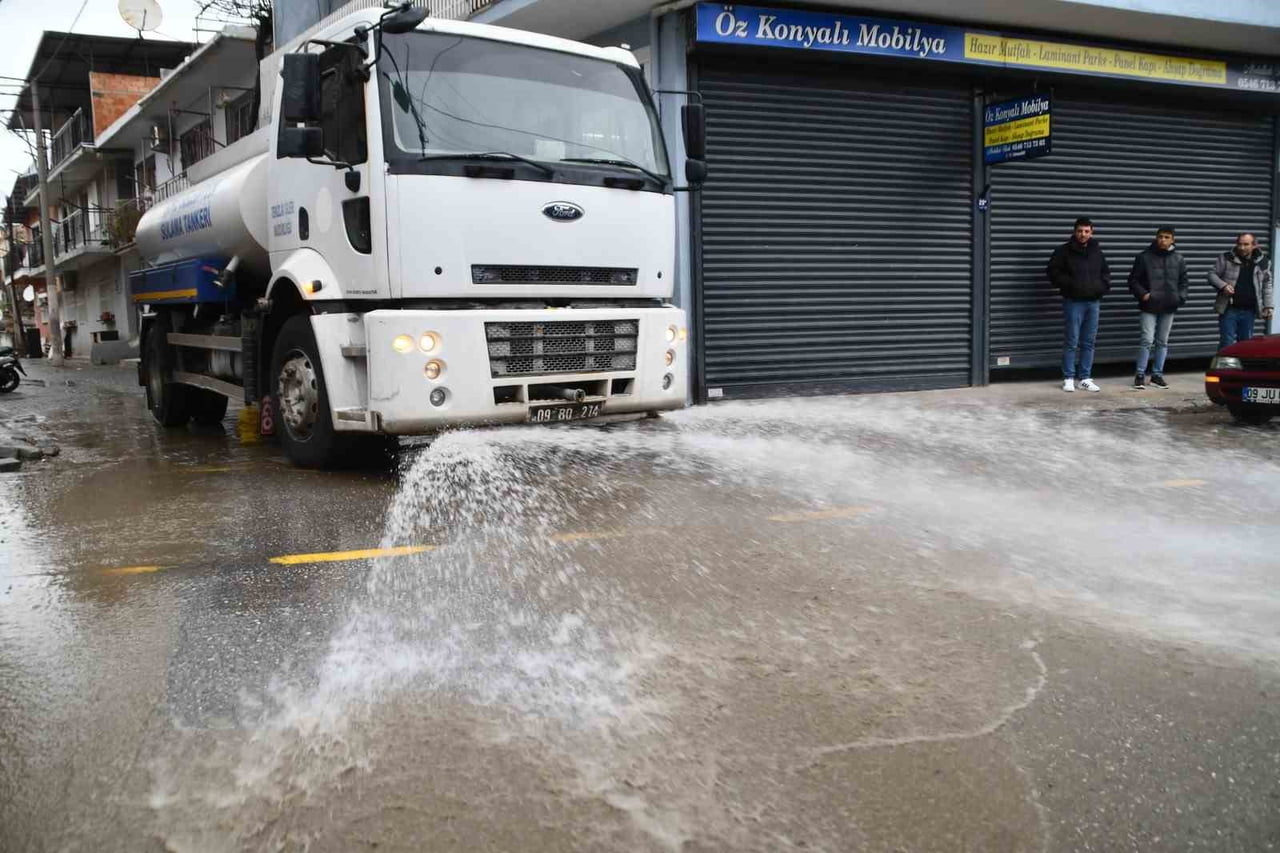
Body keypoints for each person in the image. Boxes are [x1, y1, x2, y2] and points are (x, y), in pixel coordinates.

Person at [1047, 217, 1111, 392]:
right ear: (1075, 231)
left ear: (1092, 232)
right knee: (1071, 341)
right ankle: (1068, 377)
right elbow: (1053, 272)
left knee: (1089, 342)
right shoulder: (1063, 251)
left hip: (1093, 302)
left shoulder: (1097, 251)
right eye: (1080, 231)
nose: (1083, 234)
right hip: (1073, 301)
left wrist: (1101, 287)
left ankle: (1085, 378)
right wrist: (1070, 284)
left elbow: (1105, 273)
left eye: (1087, 231)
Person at [1126, 226, 1189, 389]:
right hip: (1149, 305)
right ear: (1156, 238)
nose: (1163, 240)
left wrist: (1180, 298)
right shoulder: (1144, 257)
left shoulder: (1179, 259)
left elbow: (1184, 282)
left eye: (1167, 237)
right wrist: (1144, 295)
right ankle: (1140, 374)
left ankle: (1157, 375)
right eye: (1160, 236)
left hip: (1169, 305)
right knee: (1147, 339)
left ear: (1172, 240)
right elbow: (1133, 280)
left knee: (1162, 342)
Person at [1209, 233, 1273, 349]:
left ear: (1254, 245)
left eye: (1246, 244)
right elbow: (1212, 275)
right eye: (1239, 244)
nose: (1242, 247)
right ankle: (1224, 367)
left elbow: (1266, 284)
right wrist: (1223, 286)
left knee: (1245, 344)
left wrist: (1268, 306)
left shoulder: (1263, 262)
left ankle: (1242, 367)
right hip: (1229, 308)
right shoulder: (1226, 257)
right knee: (1226, 342)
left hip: (1249, 310)